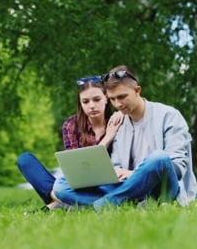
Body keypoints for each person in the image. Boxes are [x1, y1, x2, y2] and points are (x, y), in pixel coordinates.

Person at [53, 65, 197, 211]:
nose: (118, 104)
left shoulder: (169, 115)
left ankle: (103, 204)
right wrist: (114, 172)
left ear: (137, 90)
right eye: (112, 99)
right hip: (128, 187)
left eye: (122, 97)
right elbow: (117, 166)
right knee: (61, 185)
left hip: (162, 188)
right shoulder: (119, 123)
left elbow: (178, 168)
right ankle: (122, 203)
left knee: (159, 158)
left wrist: (135, 174)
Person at [17, 75, 124, 211]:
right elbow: (75, 170)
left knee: (65, 188)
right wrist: (107, 138)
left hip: (108, 185)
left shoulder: (117, 121)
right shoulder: (71, 125)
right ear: (80, 103)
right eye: (85, 101)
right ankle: (63, 199)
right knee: (25, 160)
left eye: (97, 99)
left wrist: (121, 114)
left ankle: (64, 203)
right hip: (79, 184)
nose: (92, 106)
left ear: (106, 99)